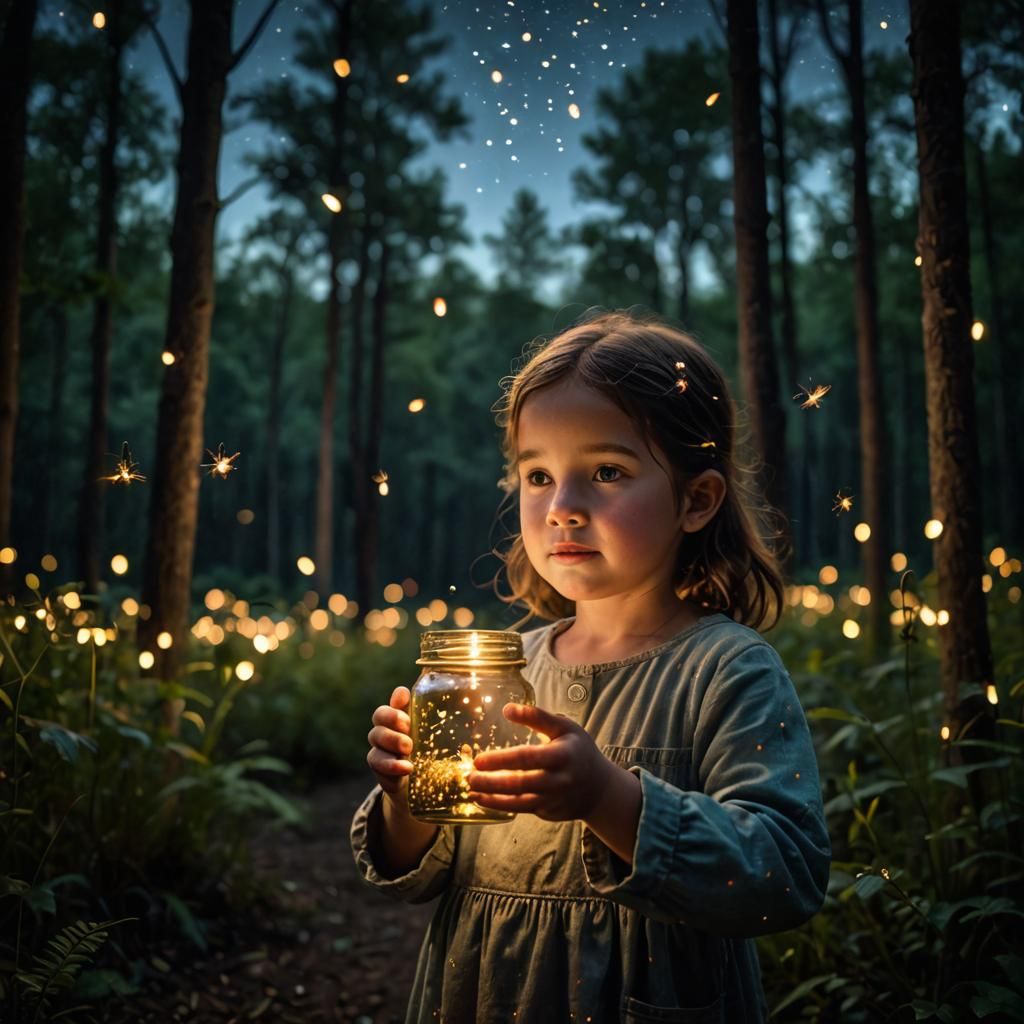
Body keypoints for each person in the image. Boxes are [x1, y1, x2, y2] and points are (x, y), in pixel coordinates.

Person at [351, 309, 831, 1023]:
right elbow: (413, 877)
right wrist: (407, 796)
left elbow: (784, 875)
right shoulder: (511, 668)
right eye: (538, 475)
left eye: (606, 472)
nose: (563, 508)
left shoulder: (728, 670)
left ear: (696, 500)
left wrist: (611, 799)